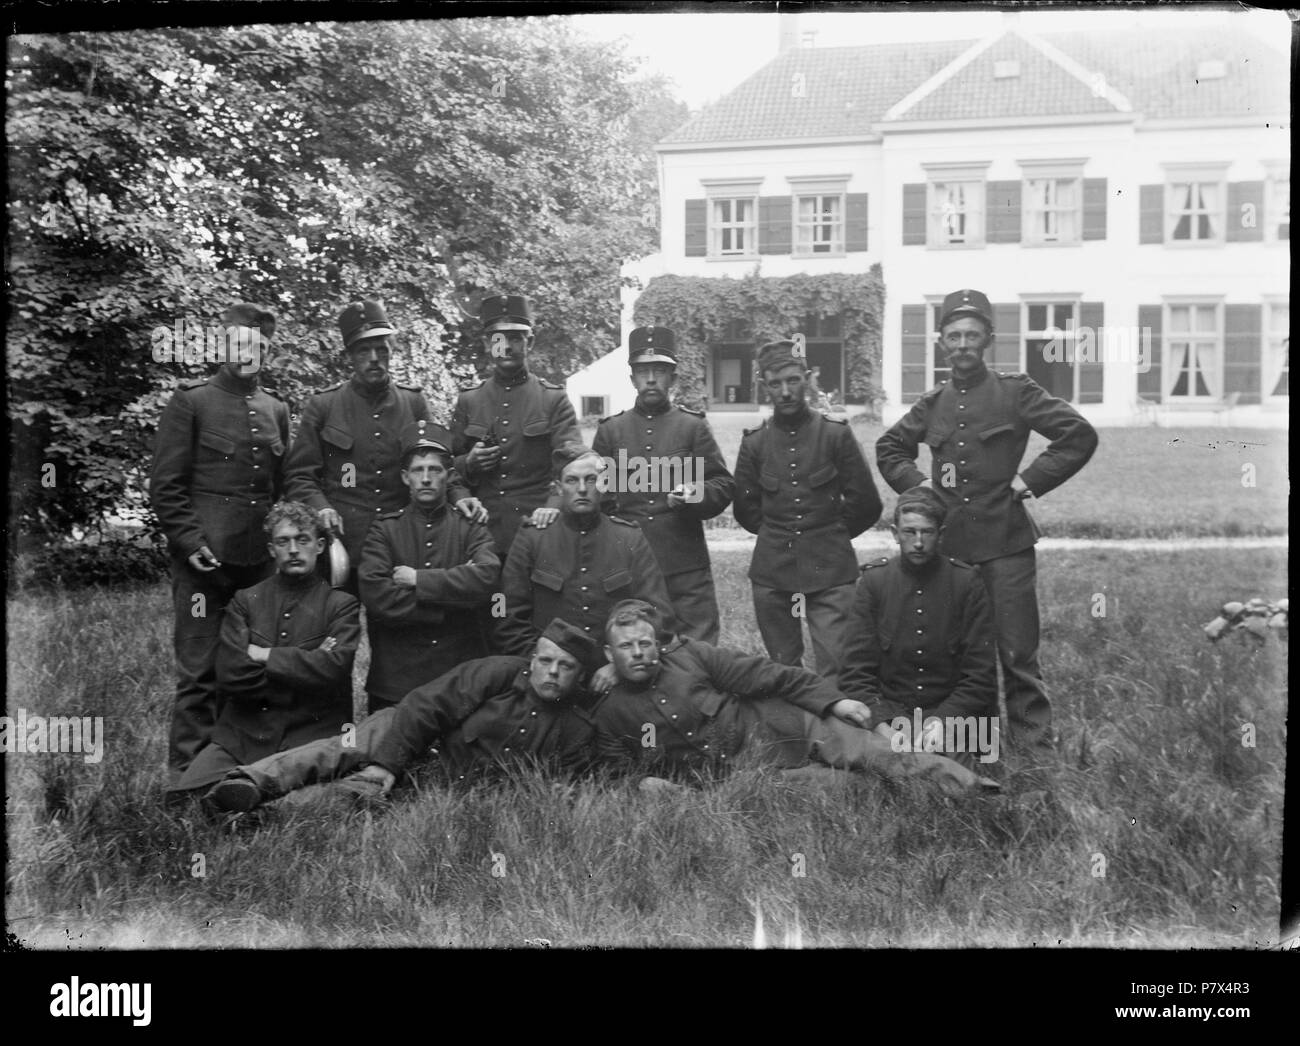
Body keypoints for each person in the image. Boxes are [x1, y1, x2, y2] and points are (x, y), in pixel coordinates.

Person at [877, 288, 1098, 750]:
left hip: (1006, 544)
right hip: (951, 550)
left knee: (1017, 651)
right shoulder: (933, 403)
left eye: (972, 335)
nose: (962, 344)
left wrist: (1029, 480)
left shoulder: (1015, 392)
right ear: (941, 342)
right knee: (958, 651)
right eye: (953, 335)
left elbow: (1077, 435)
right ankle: (973, 742)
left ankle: (1032, 744)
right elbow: (889, 447)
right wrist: (920, 489)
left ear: (988, 339)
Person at [592, 601, 996, 794]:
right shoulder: (611, 714)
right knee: (855, 792)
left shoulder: (693, 656)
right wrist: (643, 782)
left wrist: (833, 702)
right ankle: (936, 801)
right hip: (755, 778)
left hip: (792, 726)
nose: (639, 652)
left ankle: (980, 794)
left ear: (657, 645)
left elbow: (771, 674)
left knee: (883, 756)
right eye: (626, 646)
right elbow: (615, 775)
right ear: (610, 655)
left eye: (645, 642)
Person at [203, 619, 602, 811]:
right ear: (532, 659)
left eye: (565, 667)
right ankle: (252, 781)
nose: (552, 672)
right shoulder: (498, 672)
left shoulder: (574, 729)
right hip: (409, 728)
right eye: (546, 660)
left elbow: (551, 787)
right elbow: (429, 705)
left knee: (352, 801)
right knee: (338, 751)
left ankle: (256, 816)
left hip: (437, 780)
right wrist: (389, 764)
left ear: (579, 676)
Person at [150, 302, 291, 787]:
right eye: (242, 344)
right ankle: (185, 779)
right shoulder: (191, 402)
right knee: (200, 671)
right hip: (203, 564)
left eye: (261, 347)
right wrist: (189, 542)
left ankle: (240, 769)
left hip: (258, 565)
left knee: (254, 667)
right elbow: (166, 486)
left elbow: (279, 490)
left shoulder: (277, 410)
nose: (250, 354)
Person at [284, 299, 483, 594]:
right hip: (344, 540)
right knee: (340, 628)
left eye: (382, 349)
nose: (374, 358)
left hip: (403, 540)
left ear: (392, 352)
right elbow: (300, 476)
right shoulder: (324, 405)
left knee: (400, 626)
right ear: (350, 356)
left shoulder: (413, 402)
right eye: (364, 350)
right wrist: (321, 509)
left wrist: (461, 495)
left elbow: (438, 463)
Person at [166, 500, 360, 797]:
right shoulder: (245, 601)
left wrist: (263, 656)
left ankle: (257, 795)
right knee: (185, 796)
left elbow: (333, 670)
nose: (293, 549)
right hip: (245, 735)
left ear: (320, 546)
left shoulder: (341, 606)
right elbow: (232, 676)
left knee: (306, 795)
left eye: (302, 539)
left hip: (310, 736)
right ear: (272, 550)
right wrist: (307, 664)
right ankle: (251, 791)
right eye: (283, 541)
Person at [733, 339, 882, 683]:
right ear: (764, 386)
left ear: (807, 378)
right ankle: (797, 731)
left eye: (793, 380)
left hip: (830, 569)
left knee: (837, 664)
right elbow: (746, 508)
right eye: (775, 383)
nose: (785, 391)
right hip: (773, 572)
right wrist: (779, 535)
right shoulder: (755, 442)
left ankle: (838, 731)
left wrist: (828, 534)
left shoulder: (835, 435)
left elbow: (866, 503)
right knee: (785, 667)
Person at [591, 325, 734, 643]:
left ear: (673, 378)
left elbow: (722, 483)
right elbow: (597, 496)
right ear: (632, 379)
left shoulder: (692, 427)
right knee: (634, 647)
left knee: (698, 650)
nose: (651, 379)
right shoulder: (612, 432)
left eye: (660, 370)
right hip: (630, 563)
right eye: (643, 371)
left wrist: (694, 493)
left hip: (685, 561)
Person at [839, 487, 999, 766]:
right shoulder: (875, 583)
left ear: (942, 533)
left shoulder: (967, 583)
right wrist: (882, 724)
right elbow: (855, 672)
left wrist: (943, 721)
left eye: (927, 532)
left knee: (957, 773)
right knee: (871, 767)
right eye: (909, 532)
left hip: (952, 713)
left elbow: (980, 675)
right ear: (894, 533)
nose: (918, 542)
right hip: (892, 715)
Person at [496, 443, 678, 673]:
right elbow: (502, 608)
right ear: (558, 488)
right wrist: (541, 662)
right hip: (548, 673)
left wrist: (619, 665)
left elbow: (660, 613)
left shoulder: (630, 538)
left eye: (591, 480)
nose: (582, 489)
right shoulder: (531, 538)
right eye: (572, 480)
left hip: (614, 674)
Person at [357, 421, 500, 713]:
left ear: (448, 476)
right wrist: (453, 601)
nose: (425, 478)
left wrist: (418, 580)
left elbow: (486, 577)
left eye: (434, 470)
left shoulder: (469, 526)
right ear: (405, 477)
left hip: (457, 673)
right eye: (417, 471)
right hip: (397, 678)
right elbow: (377, 596)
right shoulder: (385, 529)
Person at [451, 294, 582, 557]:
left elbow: (570, 463)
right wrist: (469, 465)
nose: (507, 347)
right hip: (481, 531)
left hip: (538, 528)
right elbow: (448, 465)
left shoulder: (552, 399)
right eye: (498, 339)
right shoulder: (469, 400)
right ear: (487, 344)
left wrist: (553, 506)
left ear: (529, 342)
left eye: (515, 338)